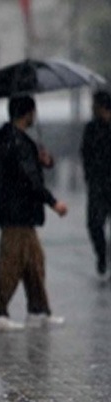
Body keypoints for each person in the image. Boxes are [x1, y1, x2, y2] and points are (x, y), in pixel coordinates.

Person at [0, 95, 68, 332]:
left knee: (34, 262)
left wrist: (45, 160)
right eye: (33, 112)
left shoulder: (13, 139)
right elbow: (29, 179)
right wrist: (54, 203)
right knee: (10, 265)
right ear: (27, 113)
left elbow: (31, 168)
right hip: (15, 213)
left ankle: (38, 311)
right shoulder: (15, 141)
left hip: (19, 213)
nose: (35, 116)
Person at [80, 90, 111, 277]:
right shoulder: (91, 128)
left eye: (94, 105)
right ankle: (102, 254)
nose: (91, 108)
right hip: (97, 185)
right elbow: (85, 153)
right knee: (94, 224)